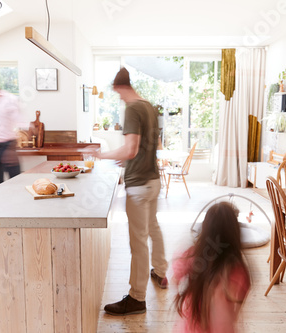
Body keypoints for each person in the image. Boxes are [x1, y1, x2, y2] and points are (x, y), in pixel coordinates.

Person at [94, 67, 168, 316]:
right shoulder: (149, 106)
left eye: (117, 93)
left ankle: (137, 298)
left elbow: (130, 149)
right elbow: (151, 145)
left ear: (120, 87)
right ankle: (160, 271)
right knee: (153, 228)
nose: (119, 98)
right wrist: (128, 159)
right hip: (153, 180)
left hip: (138, 185)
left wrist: (102, 155)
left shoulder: (132, 108)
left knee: (138, 242)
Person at [172, 201, 251, 333]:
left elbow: (175, 278)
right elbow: (238, 302)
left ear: (205, 228)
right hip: (221, 327)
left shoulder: (192, 254)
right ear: (235, 233)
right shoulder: (237, 270)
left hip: (191, 324)